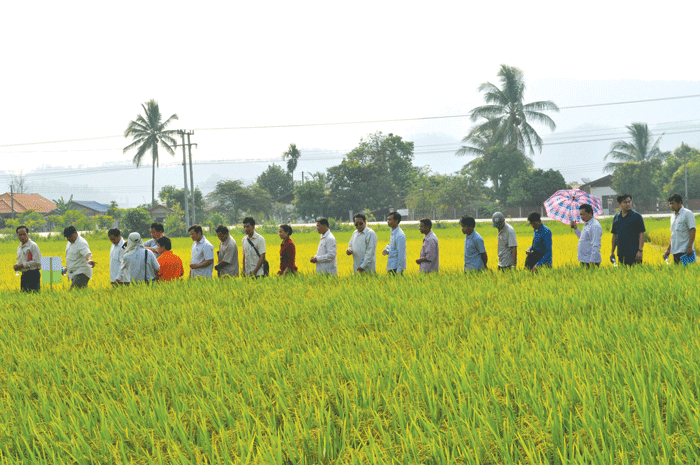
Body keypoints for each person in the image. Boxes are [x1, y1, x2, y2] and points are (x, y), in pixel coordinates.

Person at [610, 194, 646, 266]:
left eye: (629, 202)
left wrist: (640, 251)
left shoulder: (637, 216)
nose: (628, 204)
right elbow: (615, 235)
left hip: (634, 253)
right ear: (619, 204)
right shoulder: (617, 217)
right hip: (621, 253)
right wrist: (612, 251)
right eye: (625, 202)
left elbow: (642, 234)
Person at [663, 193, 696, 264]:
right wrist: (668, 250)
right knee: (678, 272)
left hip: (685, 251)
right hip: (675, 251)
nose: (671, 206)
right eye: (670, 204)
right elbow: (673, 235)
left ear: (680, 203)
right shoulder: (672, 216)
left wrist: (690, 247)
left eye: (673, 203)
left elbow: (692, 230)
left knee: (687, 272)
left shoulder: (687, 214)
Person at [14, 225, 42, 292]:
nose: (22, 237)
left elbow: (38, 262)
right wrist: (17, 265)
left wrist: (22, 265)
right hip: (24, 275)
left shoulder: (33, 246)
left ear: (28, 234)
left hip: (33, 275)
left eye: (24, 234)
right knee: (24, 296)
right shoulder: (19, 247)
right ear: (17, 236)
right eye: (20, 235)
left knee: (34, 296)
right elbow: (21, 260)